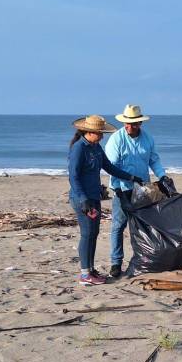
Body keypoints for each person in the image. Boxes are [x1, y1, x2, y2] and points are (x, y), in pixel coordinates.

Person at [68, 115, 143, 286]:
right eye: (99, 133)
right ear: (89, 132)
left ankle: (91, 269)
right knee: (87, 234)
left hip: (94, 197)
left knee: (93, 234)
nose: (102, 136)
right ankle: (85, 274)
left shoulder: (96, 147)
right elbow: (73, 177)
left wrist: (131, 177)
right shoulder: (79, 149)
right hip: (83, 199)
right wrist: (83, 199)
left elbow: (109, 167)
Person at [105, 104, 171, 279]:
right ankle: (116, 263)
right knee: (119, 226)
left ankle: (145, 257)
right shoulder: (116, 140)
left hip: (142, 189)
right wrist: (118, 190)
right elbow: (112, 168)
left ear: (140, 123)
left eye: (134, 123)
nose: (130, 126)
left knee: (145, 225)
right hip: (122, 188)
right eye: (127, 123)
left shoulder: (148, 139)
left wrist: (162, 176)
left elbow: (154, 160)